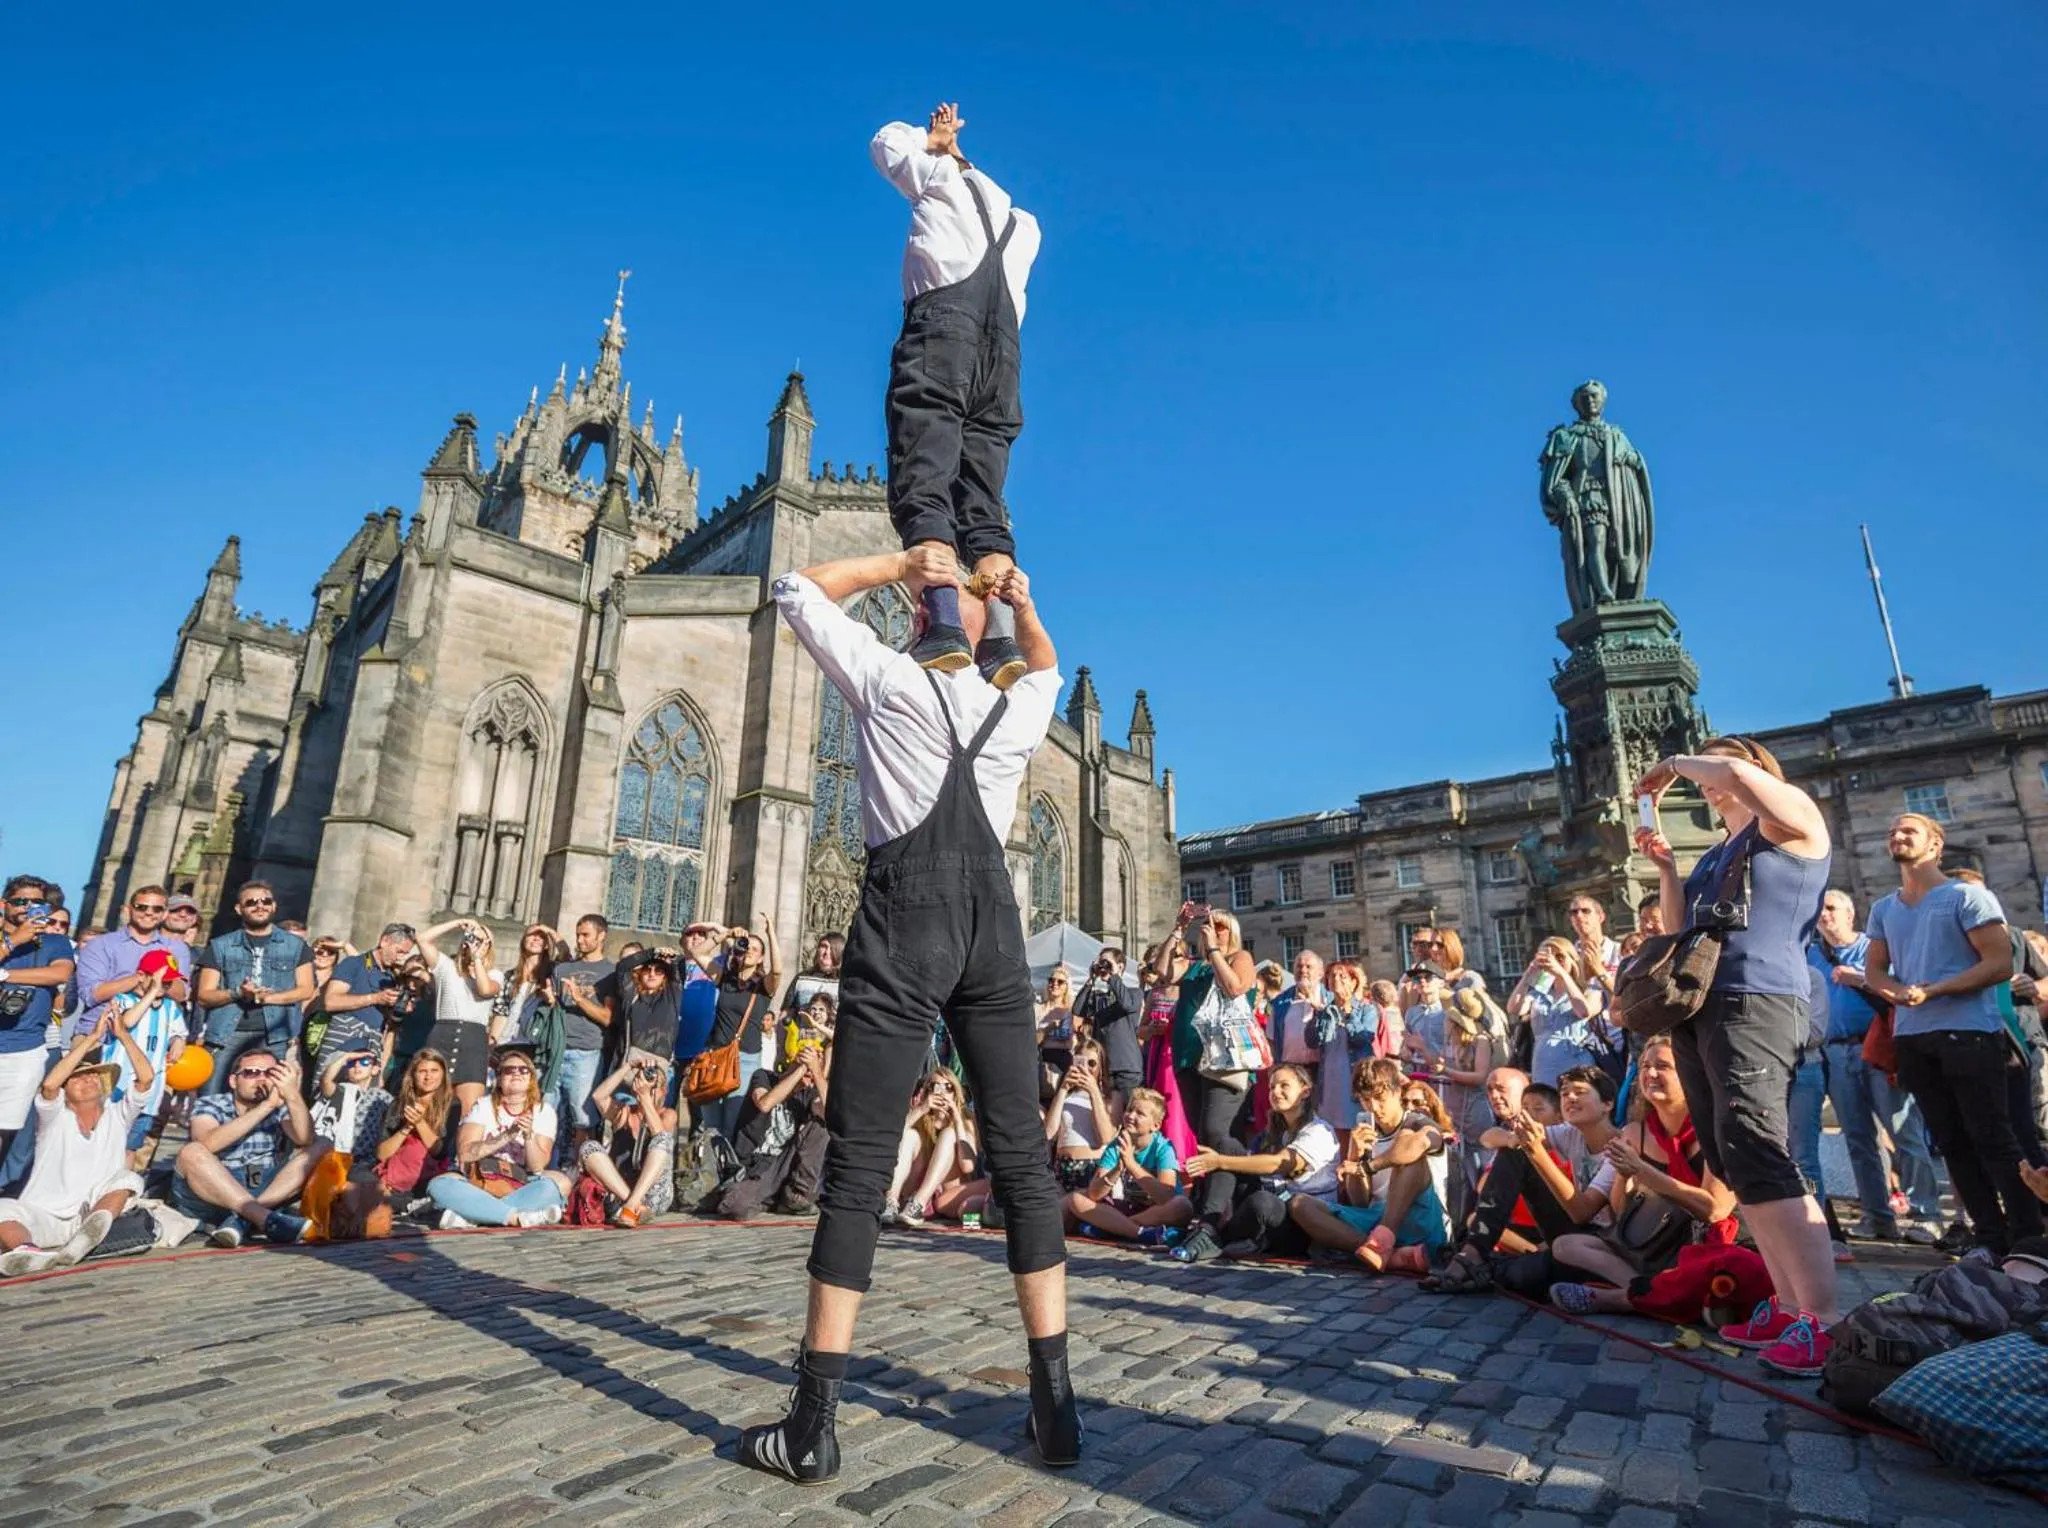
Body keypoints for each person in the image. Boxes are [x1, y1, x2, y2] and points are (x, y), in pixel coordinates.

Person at [737, 545, 1072, 1484]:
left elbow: (795, 587)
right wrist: (1022, 595)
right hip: (994, 929)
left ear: (931, 617)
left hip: (904, 916)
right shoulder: (1017, 704)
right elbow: (1044, 664)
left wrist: (895, 562)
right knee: (1020, 1159)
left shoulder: (888, 677)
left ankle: (812, 1422)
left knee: (858, 1164)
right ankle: (1056, 1407)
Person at [1635, 736, 1839, 1376]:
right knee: (1732, 1159)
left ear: (1757, 768)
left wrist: (1671, 764)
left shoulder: (1794, 819)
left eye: (1725, 763)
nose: (1710, 775)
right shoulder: (1717, 854)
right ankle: (1785, 1303)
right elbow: (1676, 933)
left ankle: (1825, 1320)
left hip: (1760, 998)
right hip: (1701, 1007)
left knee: (1760, 1149)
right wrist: (1668, 870)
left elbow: (1728, 770)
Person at [871, 102, 1040, 686]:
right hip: (1003, 361)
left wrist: (933, 142)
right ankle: (999, 639)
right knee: (985, 505)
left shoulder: (939, 176)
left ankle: (943, 625)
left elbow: (885, 143)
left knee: (925, 471)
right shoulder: (1026, 229)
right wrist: (955, 153)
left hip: (944, 332)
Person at [1862, 814, 2044, 1258]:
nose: (1897, 836)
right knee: (1951, 1142)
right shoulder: (1884, 908)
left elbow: (1999, 963)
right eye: (1892, 831)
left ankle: (2028, 1237)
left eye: (1908, 830)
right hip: (1914, 1039)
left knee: (1994, 1139)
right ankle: (1988, 1238)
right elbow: (1874, 970)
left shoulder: (1967, 895)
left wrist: (1935, 989)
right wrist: (1895, 991)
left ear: (1935, 844)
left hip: (1970, 1034)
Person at [1549, 1036, 1739, 1315]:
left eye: (1663, 1066)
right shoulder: (1635, 1133)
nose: (1650, 1073)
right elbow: (1621, 1212)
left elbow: (1715, 1209)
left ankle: (1629, 1297)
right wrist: (1624, 1177)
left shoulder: (1716, 1129)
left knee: (1724, 1275)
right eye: (1644, 1066)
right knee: (1565, 1245)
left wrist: (1642, 1170)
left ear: (1691, 1072)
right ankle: (1652, 1290)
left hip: (1698, 1244)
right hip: (1650, 1243)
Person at [1423, 1065, 1621, 1295]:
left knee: (1526, 1276)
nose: (1570, 1098)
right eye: (1565, 1093)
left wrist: (1535, 1150)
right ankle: (1474, 1252)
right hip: (1569, 1232)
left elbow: (1582, 1212)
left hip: (1601, 1244)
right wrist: (1512, 1139)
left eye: (1580, 1092)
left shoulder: (1620, 1146)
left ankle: (1484, 1268)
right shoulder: (1571, 1133)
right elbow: (1487, 1138)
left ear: (1608, 1104)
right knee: (1515, 1150)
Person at [0, 1002, 155, 1275]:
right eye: (79, 1078)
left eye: (94, 1076)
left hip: (93, 1212)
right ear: (66, 1089)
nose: (89, 1080)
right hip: (46, 1216)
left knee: (128, 1178)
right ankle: (27, 1251)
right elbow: (49, 1085)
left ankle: (87, 1236)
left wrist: (123, 1035)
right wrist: (92, 1038)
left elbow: (146, 1078)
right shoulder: (55, 1117)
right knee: (4, 1207)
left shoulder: (117, 1115)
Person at [1289, 1058, 1449, 1273]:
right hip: (1375, 1218)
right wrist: (1355, 1155)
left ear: (1397, 1091)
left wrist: (1368, 1166)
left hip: (1421, 1218)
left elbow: (1416, 1145)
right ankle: (1386, 1255)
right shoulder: (1366, 1126)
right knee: (1300, 1204)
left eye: (1379, 1098)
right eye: (1365, 1100)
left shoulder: (1418, 1122)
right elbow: (1360, 1202)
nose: (1373, 1107)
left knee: (1409, 1161)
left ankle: (1382, 1243)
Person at [1172, 1063, 1339, 1263]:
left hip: (1302, 1224)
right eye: (1272, 1087)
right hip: (1276, 1204)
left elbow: (1280, 1163)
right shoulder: (1278, 1132)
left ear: (1305, 1092)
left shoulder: (1319, 1131)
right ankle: (1208, 1228)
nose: (1276, 1092)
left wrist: (1219, 1162)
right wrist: (1222, 1160)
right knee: (1228, 1145)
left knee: (1262, 1202)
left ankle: (1221, 1238)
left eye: (1284, 1086)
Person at [171, 1047, 328, 1247]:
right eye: (251, 1073)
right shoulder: (212, 1103)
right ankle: (261, 1217)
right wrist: (266, 1107)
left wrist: (293, 1096)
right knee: (191, 1152)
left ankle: (246, 1218)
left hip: (262, 1188)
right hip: (215, 1191)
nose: (261, 1079)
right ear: (233, 1081)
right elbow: (206, 1142)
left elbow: (305, 1139)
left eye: (270, 1073)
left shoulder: (281, 1106)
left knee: (323, 1144)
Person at [426, 1041, 573, 1228]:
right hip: (479, 1180)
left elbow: (537, 1166)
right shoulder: (484, 1106)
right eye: (509, 1070)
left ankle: (474, 1215)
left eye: (523, 1070)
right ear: (499, 1078)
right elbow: (466, 1153)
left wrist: (528, 1136)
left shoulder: (543, 1111)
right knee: (439, 1185)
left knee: (559, 1185)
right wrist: (507, 1135)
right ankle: (516, 1218)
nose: (516, 1073)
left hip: (522, 1183)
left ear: (531, 1078)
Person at [193, 881, 314, 1094]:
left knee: (267, 1101)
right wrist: (238, 993)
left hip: (274, 1036)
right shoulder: (220, 945)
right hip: (226, 1035)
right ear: (239, 909)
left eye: (265, 901)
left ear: (274, 906)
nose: (260, 906)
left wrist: (268, 998)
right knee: (212, 1097)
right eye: (251, 902)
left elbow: (306, 989)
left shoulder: (296, 946)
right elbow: (204, 995)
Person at [1168, 903, 1260, 1168]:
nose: (1213, 930)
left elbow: (1235, 987)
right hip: (1190, 1057)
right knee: (1203, 1135)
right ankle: (1214, 1195)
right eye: (1208, 924)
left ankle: (1243, 1185)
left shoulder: (1240, 958)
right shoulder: (1193, 966)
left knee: (1218, 1132)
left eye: (1220, 926)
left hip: (1226, 1057)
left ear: (1232, 932)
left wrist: (1215, 951)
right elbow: (1162, 971)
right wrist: (1179, 929)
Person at [1, 875, 77, 1175]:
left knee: (6, 1129)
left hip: (25, 1049)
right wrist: (14, 941)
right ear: (4, 904)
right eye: (21, 901)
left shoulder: (55, 941)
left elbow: (58, 974)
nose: (28, 908)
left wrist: (5, 976)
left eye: (36, 902)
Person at [717, 1036, 830, 1222]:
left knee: (821, 1124)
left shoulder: (809, 1094)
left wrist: (817, 1073)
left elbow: (831, 1114)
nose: (808, 1077)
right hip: (754, 1165)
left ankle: (796, 1194)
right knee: (735, 1206)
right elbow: (765, 1104)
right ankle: (769, 1199)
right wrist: (800, 1069)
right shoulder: (764, 1077)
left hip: (783, 1165)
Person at [1066, 1087, 1192, 1244]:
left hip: (1157, 1212)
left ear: (1155, 1126)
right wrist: (1116, 1170)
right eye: (1130, 1109)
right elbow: (1094, 1194)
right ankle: (1138, 1233)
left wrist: (1132, 1165)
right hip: (1130, 1207)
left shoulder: (1163, 1147)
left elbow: (1167, 1196)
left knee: (1182, 1206)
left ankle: (1115, 1228)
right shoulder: (1117, 1145)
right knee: (1076, 1199)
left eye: (1140, 1114)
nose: (1131, 1116)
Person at [69, 885, 189, 1043]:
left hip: (151, 1038)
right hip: (100, 1034)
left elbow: (181, 994)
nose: (149, 912)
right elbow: (91, 995)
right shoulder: (100, 944)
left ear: (165, 914)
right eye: (141, 907)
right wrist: (141, 978)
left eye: (157, 909)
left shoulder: (176, 948)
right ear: (128, 910)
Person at [703, 918, 783, 1137]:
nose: (749, 952)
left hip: (745, 1059)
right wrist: (726, 934)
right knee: (710, 1125)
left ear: (760, 958)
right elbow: (698, 953)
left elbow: (777, 971)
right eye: (747, 946)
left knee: (732, 1122)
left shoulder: (763, 987)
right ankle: (711, 1169)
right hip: (715, 1056)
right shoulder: (725, 978)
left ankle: (729, 1169)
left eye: (755, 949)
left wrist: (771, 934)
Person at [578, 1056, 679, 1226]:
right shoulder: (624, 1113)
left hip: (655, 1195)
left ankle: (632, 1205)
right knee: (589, 1147)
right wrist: (627, 1067)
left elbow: (659, 1133)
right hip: (620, 1192)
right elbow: (598, 1097)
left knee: (663, 1139)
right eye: (644, 1082)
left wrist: (645, 1098)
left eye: (655, 1086)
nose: (649, 1088)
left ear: (665, 1091)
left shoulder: (667, 1114)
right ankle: (632, 1205)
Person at [107, 953, 187, 1168]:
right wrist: (151, 992)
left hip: (150, 1092)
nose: (165, 985)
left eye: (169, 981)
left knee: (131, 1145)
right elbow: (126, 1022)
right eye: (160, 979)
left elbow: (179, 1031)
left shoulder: (170, 1008)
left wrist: (178, 1040)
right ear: (141, 976)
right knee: (107, 1140)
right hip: (118, 1088)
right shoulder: (122, 1000)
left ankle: (121, 1190)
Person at [414, 918, 500, 1114]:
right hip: (443, 1033)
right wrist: (457, 923)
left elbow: (485, 990)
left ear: (488, 945)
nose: (474, 944)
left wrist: (478, 959)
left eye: (480, 940)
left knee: (469, 1110)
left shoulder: (494, 974)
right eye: (471, 939)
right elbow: (422, 939)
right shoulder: (447, 967)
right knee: (430, 1105)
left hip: (473, 1040)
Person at [552, 914, 618, 1163]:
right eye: (578, 934)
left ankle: (580, 1170)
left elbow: (608, 1018)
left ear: (601, 936)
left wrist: (580, 999)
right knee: (548, 1114)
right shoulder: (562, 970)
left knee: (583, 1118)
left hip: (587, 1052)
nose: (579, 940)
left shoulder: (610, 973)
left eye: (586, 935)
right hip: (556, 1050)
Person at [1504, 939, 1609, 1087]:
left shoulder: (1589, 989)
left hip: (1575, 1060)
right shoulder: (1540, 992)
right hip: (1543, 1062)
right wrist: (1529, 974)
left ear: (1572, 960)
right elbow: (1514, 1008)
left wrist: (1561, 973)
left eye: (1560, 957)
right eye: (1548, 956)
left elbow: (1583, 1011)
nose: (1554, 961)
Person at [320, 924, 419, 1075]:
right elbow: (330, 1002)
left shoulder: (390, 977)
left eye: (405, 954)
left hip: (371, 1044)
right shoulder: (354, 964)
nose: (401, 958)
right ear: (384, 941)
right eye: (399, 951)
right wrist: (375, 998)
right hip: (343, 1040)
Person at [884, 1069, 979, 1226]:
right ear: (927, 1091)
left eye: (948, 1087)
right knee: (910, 1135)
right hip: (912, 1190)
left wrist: (956, 1121)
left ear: (956, 1093)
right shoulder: (920, 1117)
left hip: (946, 1193)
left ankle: (918, 1204)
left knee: (949, 1134)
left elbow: (968, 1166)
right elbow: (891, 1141)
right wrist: (921, 1109)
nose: (942, 1093)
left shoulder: (966, 1120)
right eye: (935, 1087)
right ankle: (891, 1201)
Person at [371, 1047, 456, 1200]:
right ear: (413, 1075)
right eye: (422, 1071)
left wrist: (420, 1123)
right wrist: (407, 1127)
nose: (428, 1077)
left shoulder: (453, 1105)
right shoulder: (398, 1105)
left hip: (433, 1175)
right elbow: (381, 1154)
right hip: (397, 1176)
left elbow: (440, 1152)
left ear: (443, 1074)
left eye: (434, 1070)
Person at [1309, 959, 1384, 1128]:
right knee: (1330, 1130)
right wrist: (1315, 1015)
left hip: (1352, 1080)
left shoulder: (1367, 1010)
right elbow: (1312, 1042)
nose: (1336, 979)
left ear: (1354, 982)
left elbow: (1363, 1038)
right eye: (1332, 975)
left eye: (1342, 976)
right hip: (1329, 1081)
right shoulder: (1325, 1011)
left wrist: (1348, 1012)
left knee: (1356, 1127)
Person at [1043, 1040, 1116, 1211]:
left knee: (1072, 1210)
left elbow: (1106, 1137)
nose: (1086, 1068)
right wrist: (1063, 1089)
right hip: (1063, 1167)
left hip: (1091, 1168)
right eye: (1080, 1061)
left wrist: (1093, 1091)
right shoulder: (1066, 1096)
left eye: (1092, 1063)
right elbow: (1048, 1133)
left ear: (1101, 1067)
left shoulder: (1109, 1098)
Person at [1074, 949, 1140, 1112]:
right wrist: (1091, 980)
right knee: (1105, 1115)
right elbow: (1078, 1010)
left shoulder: (1134, 993)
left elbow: (1126, 1004)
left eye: (1107, 963)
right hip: (1104, 1068)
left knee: (1127, 1115)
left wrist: (1113, 976)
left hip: (1126, 1068)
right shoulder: (1099, 997)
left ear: (1121, 966)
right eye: (1101, 962)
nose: (1103, 966)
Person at [1270, 949, 1328, 1083]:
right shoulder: (1280, 1002)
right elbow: (1272, 1039)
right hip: (1290, 1069)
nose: (1303, 970)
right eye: (1299, 966)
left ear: (1320, 973)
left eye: (1309, 967)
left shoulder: (1330, 999)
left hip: (1323, 1069)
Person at [1566, 894, 1622, 990]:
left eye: (1585, 911)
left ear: (1601, 917)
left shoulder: (1619, 950)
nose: (1579, 916)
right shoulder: (1565, 954)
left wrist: (1598, 968)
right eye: (1574, 912)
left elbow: (1627, 994)